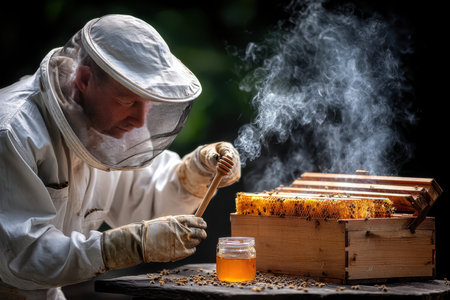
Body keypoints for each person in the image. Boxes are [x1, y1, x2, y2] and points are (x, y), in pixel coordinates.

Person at [0, 14, 240, 299]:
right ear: (84, 79)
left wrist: (194, 173)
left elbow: (146, 201)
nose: (139, 120)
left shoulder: (108, 123)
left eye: (147, 102)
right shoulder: (12, 131)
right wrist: (119, 247)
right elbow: (20, 256)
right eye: (128, 101)